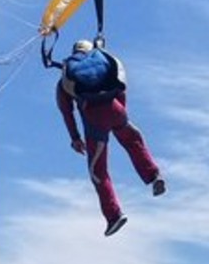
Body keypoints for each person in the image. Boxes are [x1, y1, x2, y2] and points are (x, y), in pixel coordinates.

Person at [56, 39, 165, 236]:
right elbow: (121, 86)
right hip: (116, 110)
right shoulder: (104, 62)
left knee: (98, 171)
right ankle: (153, 175)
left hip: (94, 120)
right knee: (133, 141)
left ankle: (114, 215)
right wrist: (121, 117)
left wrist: (75, 138)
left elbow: (67, 111)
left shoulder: (67, 76)